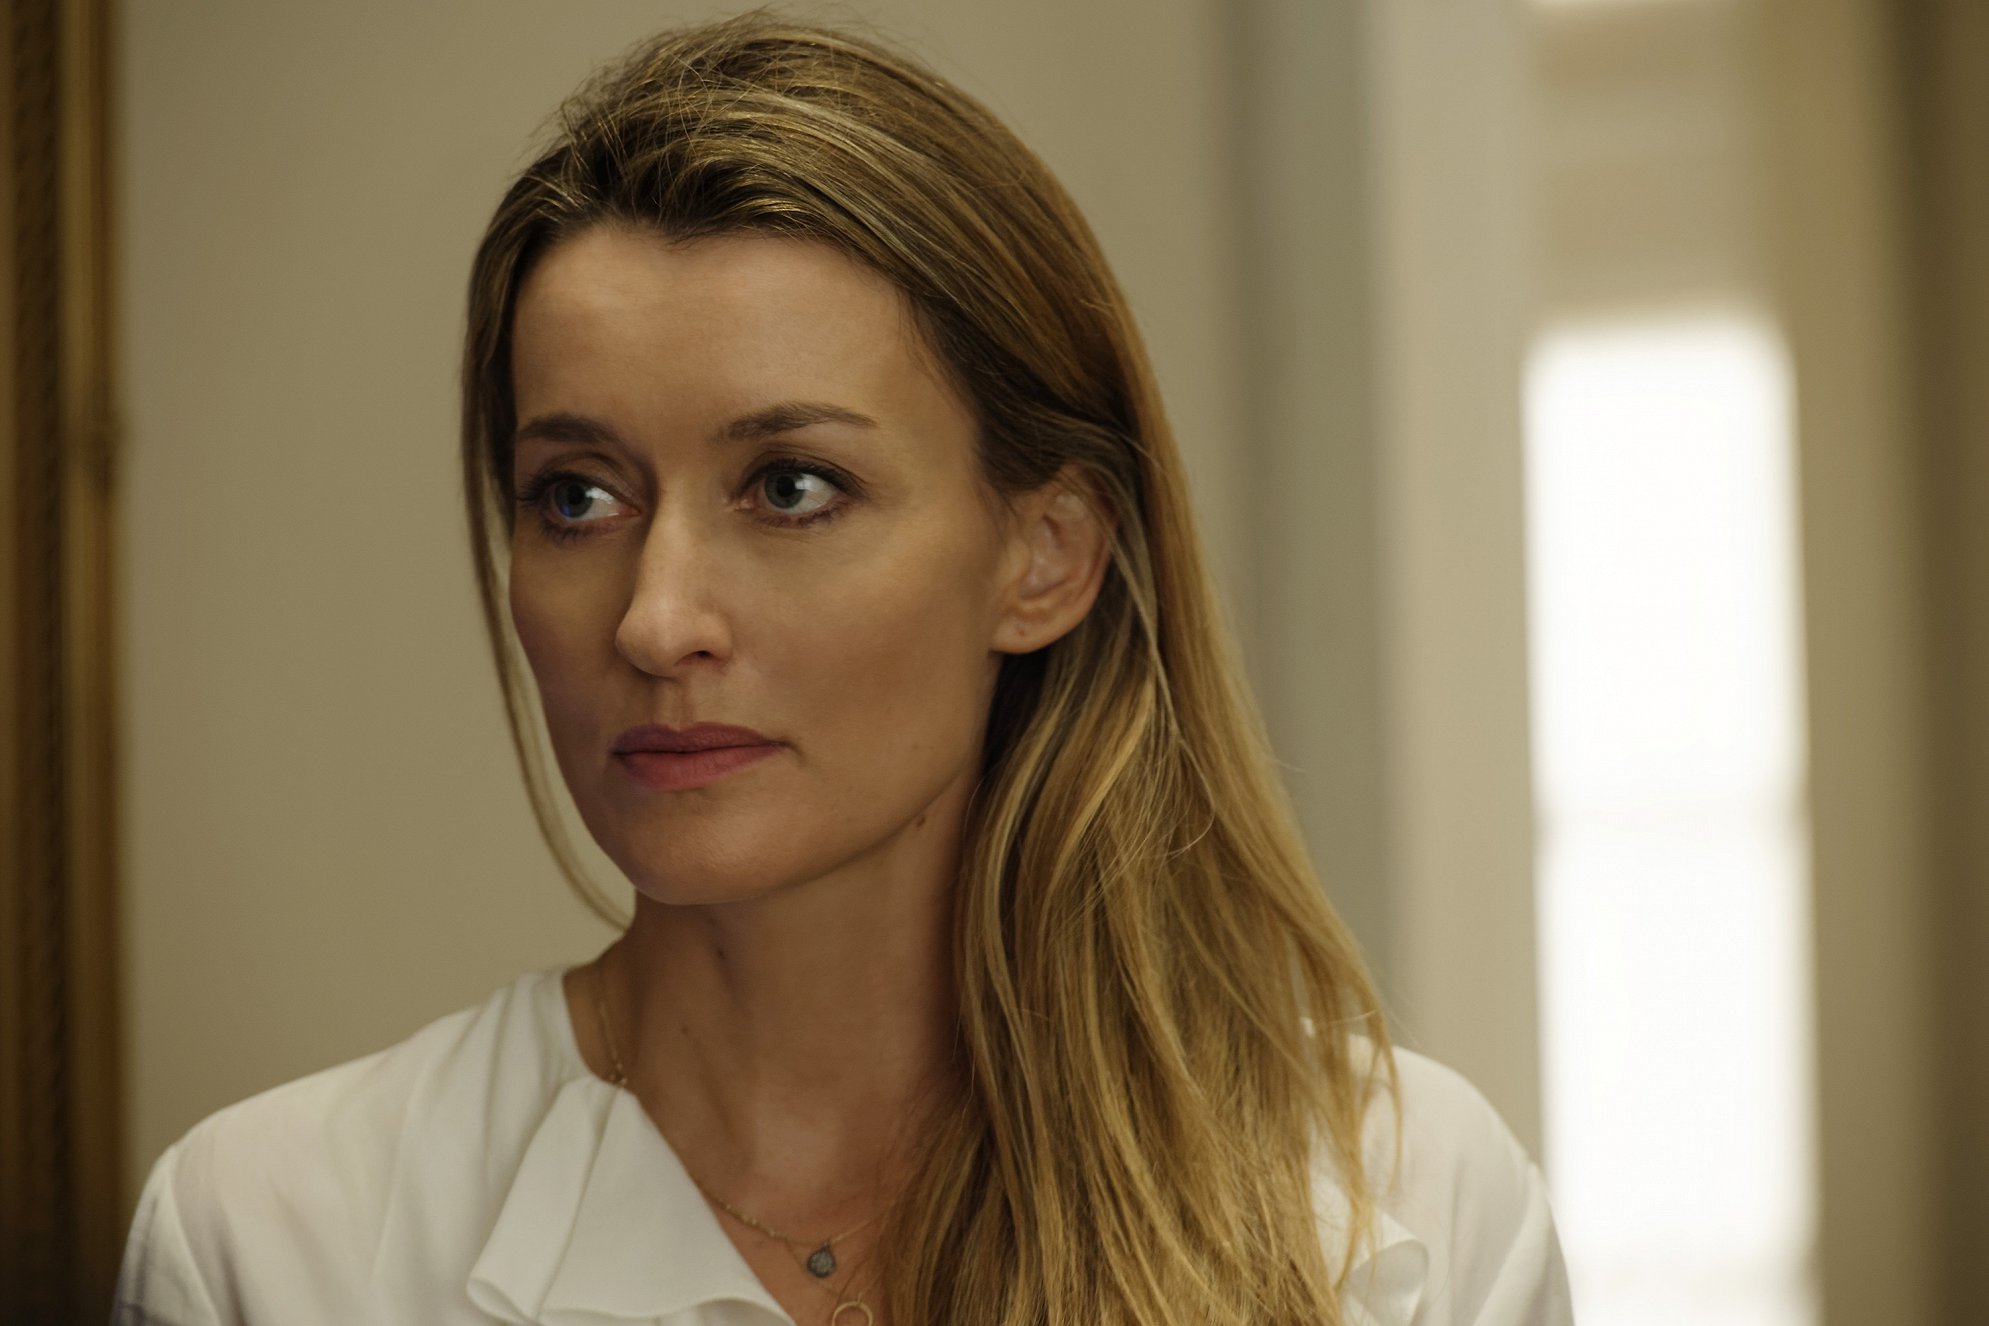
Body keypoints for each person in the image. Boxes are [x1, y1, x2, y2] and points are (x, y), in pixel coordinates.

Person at [112, 13, 1572, 1326]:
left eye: (791, 487)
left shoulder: (1402, 1212)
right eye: (578, 496)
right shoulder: (274, 1242)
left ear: (1045, 556)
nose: (655, 620)